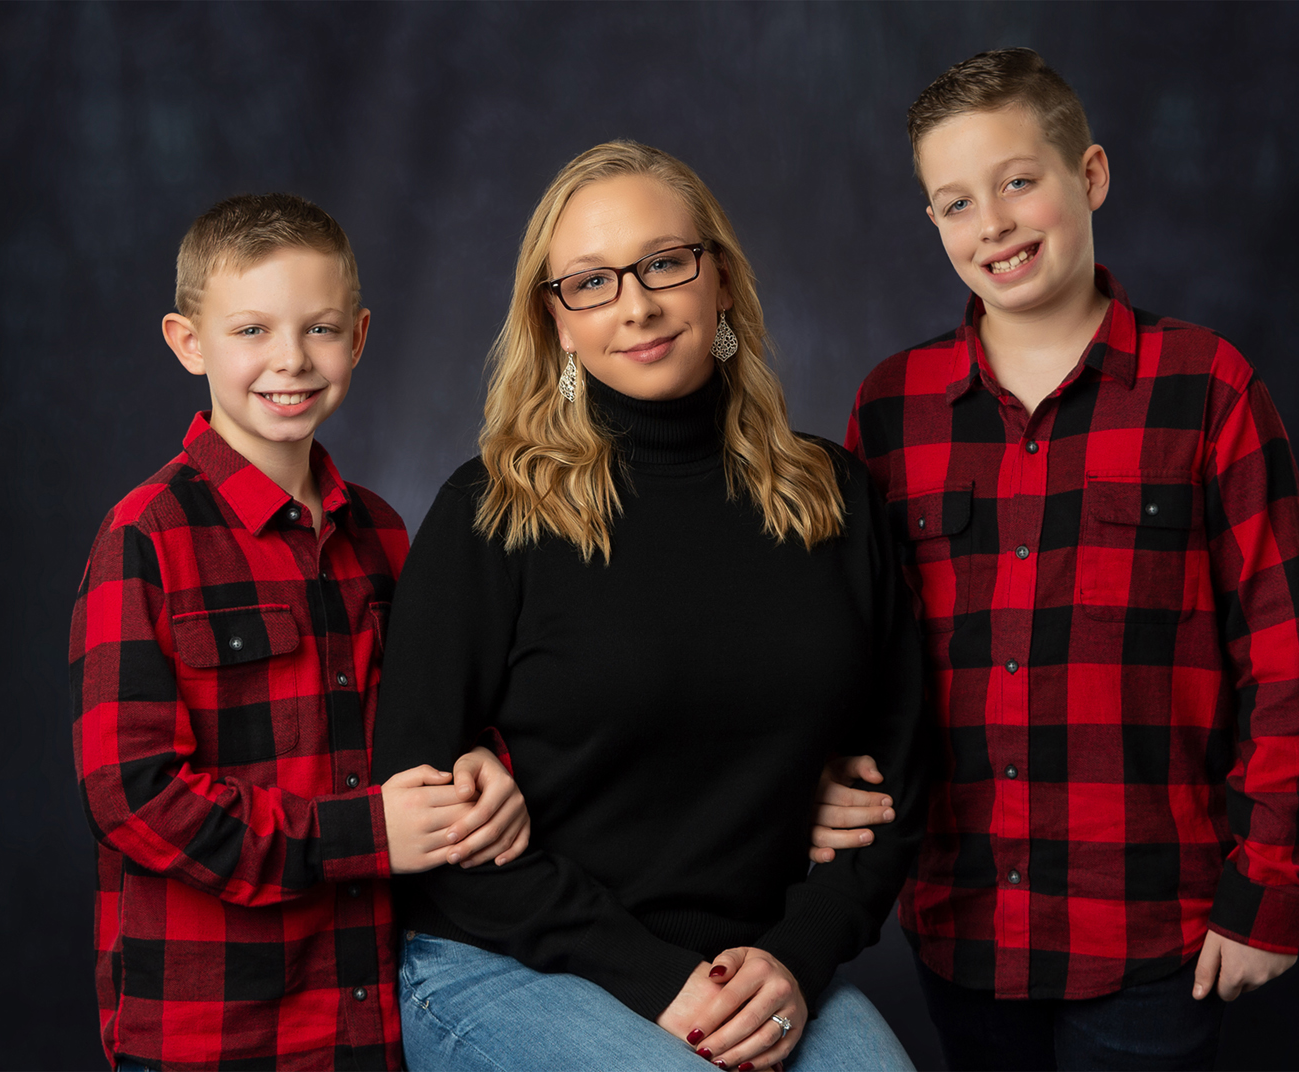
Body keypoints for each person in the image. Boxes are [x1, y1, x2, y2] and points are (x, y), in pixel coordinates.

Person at [826, 48, 1299, 1070]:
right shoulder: (892, 409)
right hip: (961, 921)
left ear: (1089, 177)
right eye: (957, 202)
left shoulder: (1208, 386)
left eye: (1019, 181)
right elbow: (851, 648)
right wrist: (825, 771)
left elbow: (1286, 663)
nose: (995, 225)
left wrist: (1269, 888)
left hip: (1153, 927)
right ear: (934, 223)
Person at [370, 141, 928, 1072]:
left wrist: (795, 959)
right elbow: (423, 801)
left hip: (753, 959)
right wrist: (656, 979)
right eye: (589, 282)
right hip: (510, 961)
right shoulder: (493, 509)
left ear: (719, 282)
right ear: (554, 322)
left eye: (665, 262)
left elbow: (897, 783)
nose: (636, 304)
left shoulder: (832, 497)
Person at [69, 193, 530, 1071]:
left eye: (319, 329)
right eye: (250, 331)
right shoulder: (146, 538)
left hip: (379, 1018)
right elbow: (132, 794)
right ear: (188, 342)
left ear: (357, 339)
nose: (290, 360)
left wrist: (485, 763)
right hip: (215, 1030)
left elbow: (443, 714)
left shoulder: (388, 536)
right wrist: (362, 837)